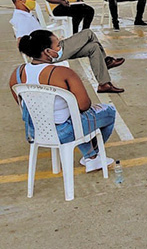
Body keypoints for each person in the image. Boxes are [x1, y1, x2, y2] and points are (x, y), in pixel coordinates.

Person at [9, 30, 117, 172]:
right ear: (48, 51)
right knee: (108, 112)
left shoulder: (16, 74)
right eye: (58, 45)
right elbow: (84, 105)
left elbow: (22, 105)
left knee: (73, 117)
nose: (60, 49)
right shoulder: (63, 73)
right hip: (65, 131)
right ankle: (92, 156)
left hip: (36, 131)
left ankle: (91, 157)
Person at [9, 0, 125, 93]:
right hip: (53, 51)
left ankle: (103, 84)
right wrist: (44, 52)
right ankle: (106, 62)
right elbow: (21, 43)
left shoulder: (26, 15)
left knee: (93, 47)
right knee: (88, 33)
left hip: (54, 47)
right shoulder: (21, 19)